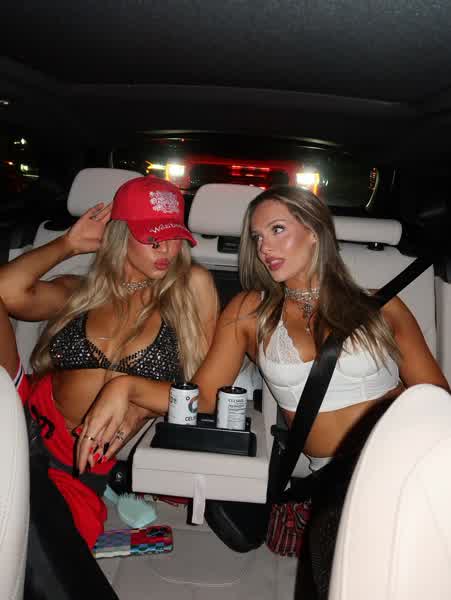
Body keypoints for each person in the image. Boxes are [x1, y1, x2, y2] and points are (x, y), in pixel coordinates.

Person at [76, 184, 449, 597]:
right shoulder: (249, 313)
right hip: (335, 479)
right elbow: (204, 397)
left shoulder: (381, 307)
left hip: (401, 460)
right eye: (257, 237)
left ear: (314, 231)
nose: (264, 248)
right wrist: (125, 387)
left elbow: (436, 400)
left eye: (277, 230)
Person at [0, 175, 218, 598]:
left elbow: (199, 399)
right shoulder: (82, 292)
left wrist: (132, 391)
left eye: (174, 237)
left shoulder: (191, 289)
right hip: (20, 426)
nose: (167, 250)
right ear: (120, 235)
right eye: (152, 237)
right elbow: (6, 292)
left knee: (40, 562)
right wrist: (68, 244)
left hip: (77, 469)